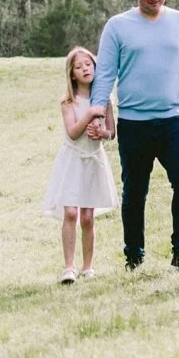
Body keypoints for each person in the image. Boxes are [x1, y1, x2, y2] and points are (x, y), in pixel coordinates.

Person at [85, 0, 179, 272]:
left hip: (173, 118)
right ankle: (134, 256)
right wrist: (98, 111)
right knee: (135, 191)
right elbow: (105, 74)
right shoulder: (117, 26)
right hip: (133, 123)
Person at [42, 46, 117, 285]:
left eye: (88, 64)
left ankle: (88, 266)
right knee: (71, 212)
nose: (85, 69)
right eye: (79, 66)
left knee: (87, 216)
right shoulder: (68, 101)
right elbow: (73, 132)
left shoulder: (104, 99)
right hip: (73, 160)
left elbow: (112, 132)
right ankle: (69, 267)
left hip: (94, 160)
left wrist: (101, 132)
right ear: (72, 74)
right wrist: (88, 117)